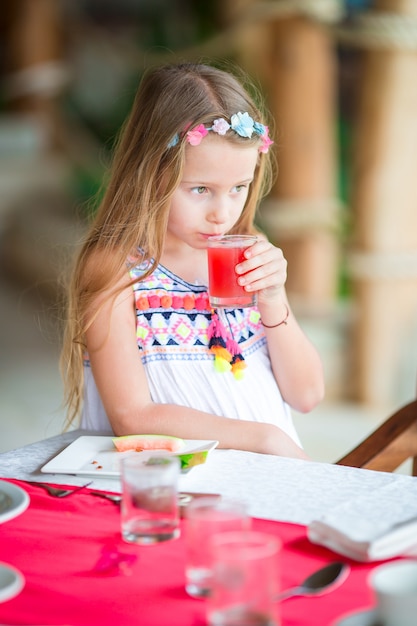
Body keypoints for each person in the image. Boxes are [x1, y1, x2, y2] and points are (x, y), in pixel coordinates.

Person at [61, 62, 325, 459]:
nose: (222, 212)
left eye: (239, 188)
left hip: (271, 481)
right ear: (151, 174)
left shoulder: (249, 251)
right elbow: (132, 416)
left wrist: (272, 299)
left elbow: (306, 395)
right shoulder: (117, 270)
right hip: (176, 487)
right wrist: (264, 439)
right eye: (201, 189)